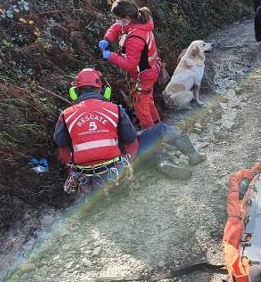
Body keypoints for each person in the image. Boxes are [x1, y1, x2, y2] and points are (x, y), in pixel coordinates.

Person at [54, 69, 207, 195]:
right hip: (116, 175)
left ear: (74, 93)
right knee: (159, 130)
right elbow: (131, 139)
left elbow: (61, 146)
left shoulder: (66, 115)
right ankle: (191, 156)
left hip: (87, 181)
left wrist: (75, 171)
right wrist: (127, 162)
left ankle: (162, 160)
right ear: (104, 90)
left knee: (137, 151)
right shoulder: (115, 110)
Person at [99, 0, 161, 129]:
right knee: (148, 102)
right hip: (150, 72)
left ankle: (155, 140)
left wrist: (110, 55)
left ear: (126, 17)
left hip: (144, 77)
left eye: (118, 17)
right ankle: (159, 127)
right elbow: (117, 27)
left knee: (142, 111)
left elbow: (129, 65)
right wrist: (108, 39)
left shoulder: (135, 38)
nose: (116, 21)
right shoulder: (138, 21)